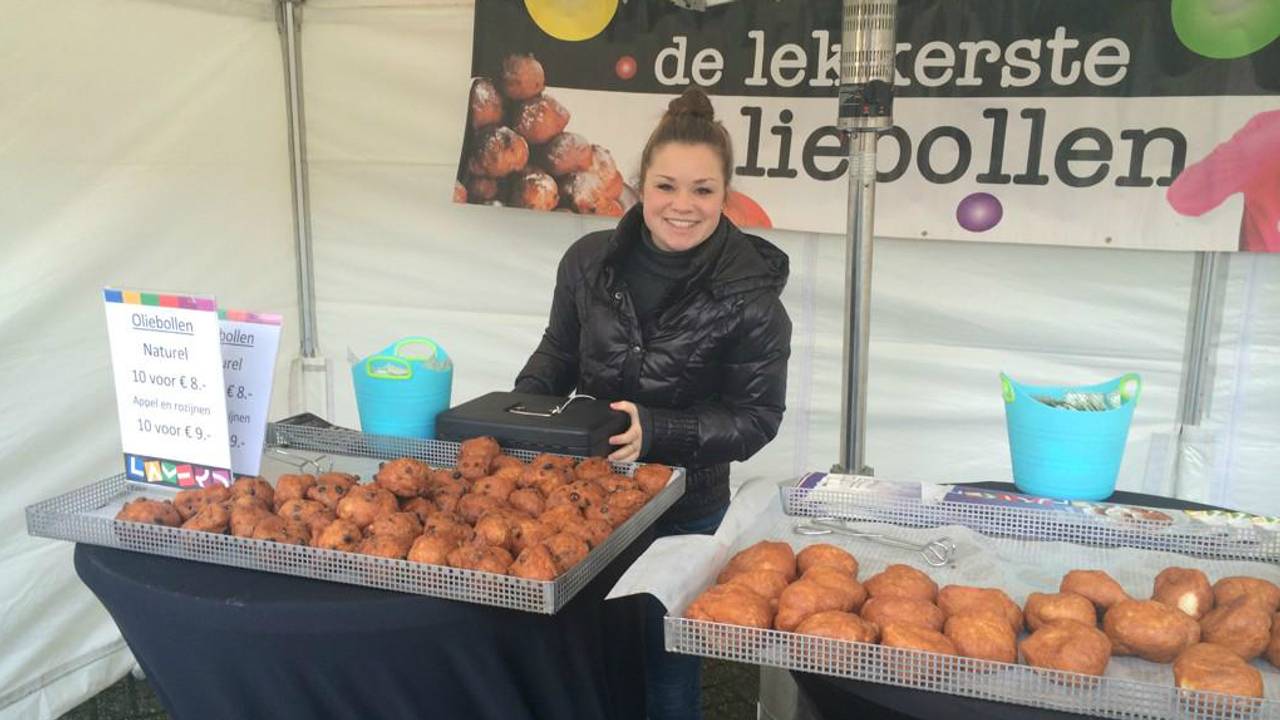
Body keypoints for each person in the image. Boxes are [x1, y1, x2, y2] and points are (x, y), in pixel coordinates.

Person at [514, 86, 792, 720]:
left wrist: (658, 431)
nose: (683, 206)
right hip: (587, 500)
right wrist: (519, 414)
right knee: (584, 655)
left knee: (665, 670)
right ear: (640, 186)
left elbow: (756, 418)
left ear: (727, 195)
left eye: (703, 190)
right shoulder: (588, 261)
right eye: (667, 186)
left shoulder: (750, 295)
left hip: (687, 507)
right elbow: (557, 354)